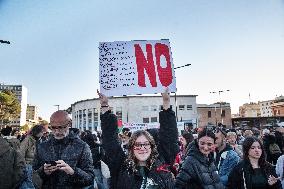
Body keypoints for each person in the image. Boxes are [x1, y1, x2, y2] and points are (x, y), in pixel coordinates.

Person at [98, 88, 178, 189]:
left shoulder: (162, 162)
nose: (142, 147)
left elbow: (169, 137)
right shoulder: (122, 166)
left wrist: (166, 102)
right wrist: (105, 105)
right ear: (131, 147)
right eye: (138, 144)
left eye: (146, 144)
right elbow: (110, 141)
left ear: (152, 146)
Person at [33, 110, 95, 189]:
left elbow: (90, 178)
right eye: (53, 128)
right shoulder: (41, 146)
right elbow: (33, 173)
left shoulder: (82, 146)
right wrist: (43, 171)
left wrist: (73, 172)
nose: (57, 131)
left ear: (69, 124)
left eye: (61, 127)